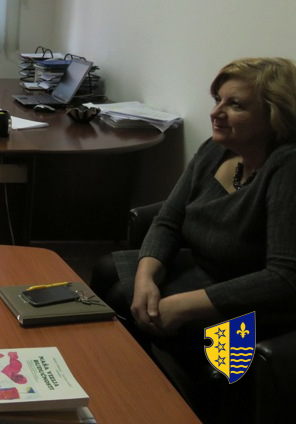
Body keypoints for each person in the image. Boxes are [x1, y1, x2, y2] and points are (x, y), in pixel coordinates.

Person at [90, 57, 296, 421]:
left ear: (274, 115)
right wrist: (146, 278)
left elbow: (284, 277)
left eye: (235, 105)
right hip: (204, 270)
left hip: (253, 305)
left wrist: (182, 306)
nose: (216, 112)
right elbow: (168, 220)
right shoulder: (215, 149)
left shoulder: (287, 167)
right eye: (217, 99)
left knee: (144, 309)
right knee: (116, 279)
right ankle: (119, 391)